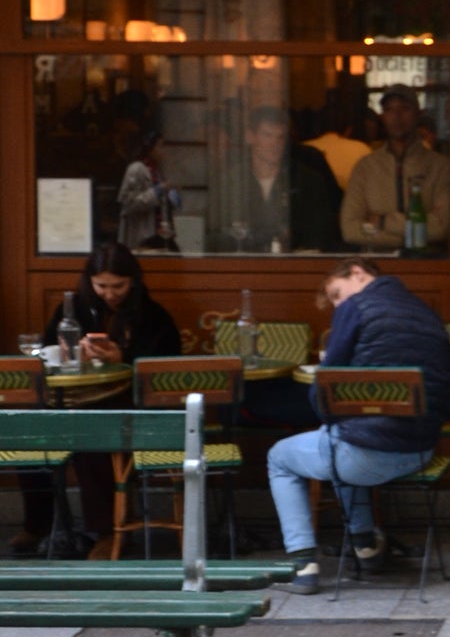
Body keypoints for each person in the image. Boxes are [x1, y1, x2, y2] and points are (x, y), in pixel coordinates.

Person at [266, 258, 450, 594]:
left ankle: (303, 566)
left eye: (337, 295)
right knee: (341, 437)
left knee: (281, 457)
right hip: (422, 450)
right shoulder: (426, 312)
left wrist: (324, 375)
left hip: (363, 456)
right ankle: (365, 547)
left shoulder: (356, 308)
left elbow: (325, 393)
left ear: (357, 272)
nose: (338, 305)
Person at [14, 244, 181, 556]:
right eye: (101, 286)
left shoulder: (152, 315)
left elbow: (165, 369)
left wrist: (125, 357)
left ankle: (107, 531)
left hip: (128, 403)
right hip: (71, 395)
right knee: (30, 426)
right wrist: (66, 352)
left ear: (133, 281)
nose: (110, 294)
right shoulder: (73, 310)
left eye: (118, 286)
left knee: (92, 432)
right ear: (88, 281)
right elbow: (48, 350)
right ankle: (36, 525)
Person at [340, 87, 450, 251]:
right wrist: (413, 236)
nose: (396, 116)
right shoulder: (366, 167)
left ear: (418, 114)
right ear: (382, 116)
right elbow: (350, 229)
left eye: (404, 109)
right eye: (389, 110)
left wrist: (383, 222)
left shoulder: (441, 167)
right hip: (378, 265)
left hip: (427, 266)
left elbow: (441, 228)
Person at [221, 107, 341, 253]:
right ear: (250, 136)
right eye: (267, 135)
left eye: (281, 137)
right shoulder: (233, 181)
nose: (275, 144)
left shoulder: (307, 180)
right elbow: (218, 233)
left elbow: (320, 235)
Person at [116, 130, 179, 250]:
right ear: (150, 148)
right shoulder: (136, 169)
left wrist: (171, 197)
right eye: (160, 147)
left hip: (160, 234)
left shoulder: (158, 171)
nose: (163, 151)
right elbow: (128, 203)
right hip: (142, 234)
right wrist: (157, 191)